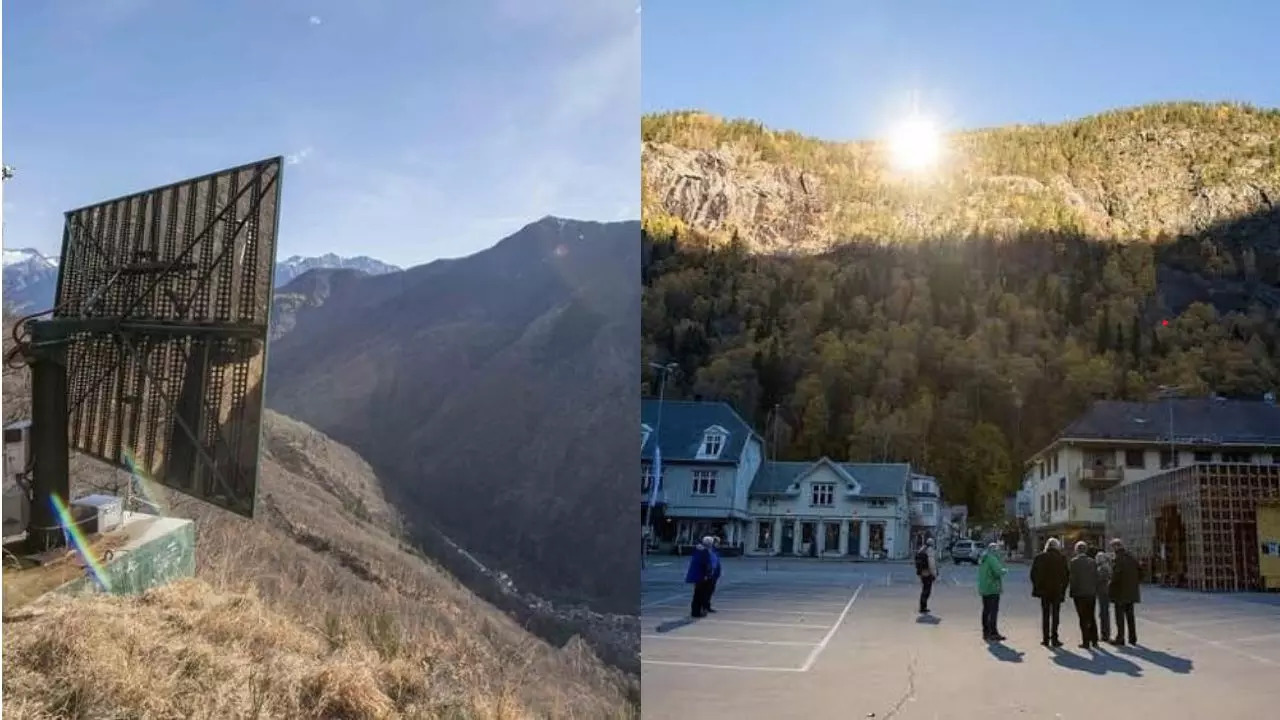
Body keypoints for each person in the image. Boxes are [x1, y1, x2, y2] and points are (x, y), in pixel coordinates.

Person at [1030, 537, 1069, 647]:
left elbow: (1033, 574)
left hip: (1044, 591)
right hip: (1057, 590)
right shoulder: (1061, 558)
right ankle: (1055, 638)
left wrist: (1037, 587)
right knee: (1055, 615)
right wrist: (1063, 589)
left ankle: (1045, 639)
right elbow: (1066, 576)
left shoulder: (1039, 557)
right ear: (1057, 546)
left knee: (1045, 614)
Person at [1108, 538, 1142, 645]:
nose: (1112, 550)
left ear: (1116, 547)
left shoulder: (1118, 558)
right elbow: (1141, 572)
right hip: (1131, 592)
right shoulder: (1131, 557)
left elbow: (1116, 576)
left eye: (1113, 547)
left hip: (1120, 592)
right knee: (1130, 616)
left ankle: (1120, 638)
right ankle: (1133, 638)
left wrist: (1110, 586)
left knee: (1120, 616)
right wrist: (1134, 583)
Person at [1068, 541, 1100, 649]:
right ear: (1085, 550)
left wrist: (1072, 592)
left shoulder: (1074, 562)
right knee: (1091, 616)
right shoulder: (1092, 562)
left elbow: (1072, 579)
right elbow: (1096, 576)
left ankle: (1086, 641)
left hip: (1079, 594)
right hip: (1091, 593)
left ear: (1077, 550)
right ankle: (1094, 640)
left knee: (1082, 618)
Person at [978, 542, 1008, 642]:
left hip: (984, 588)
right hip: (992, 588)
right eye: (997, 549)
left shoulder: (983, 558)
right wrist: (1005, 570)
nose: (998, 551)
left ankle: (985, 632)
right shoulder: (992, 558)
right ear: (994, 550)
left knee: (986, 610)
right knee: (993, 611)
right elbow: (998, 571)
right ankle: (993, 633)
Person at [685, 536, 715, 618]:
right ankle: (697, 612)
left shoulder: (697, 550)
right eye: (711, 543)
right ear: (709, 544)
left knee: (697, 594)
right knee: (701, 594)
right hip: (702, 576)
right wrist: (707, 575)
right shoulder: (705, 552)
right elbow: (707, 564)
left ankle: (695, 611)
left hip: (696, 575)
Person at [915, 537, 938, 614]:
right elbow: (931, 564)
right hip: (928, 573)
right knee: (927, 590)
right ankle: (923, 607)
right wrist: (934, 574)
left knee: (924, 589)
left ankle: (923, 606)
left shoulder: (922, 549)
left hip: (922, 572)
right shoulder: (930, 550)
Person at [1095, 548, 1114, 643]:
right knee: (1103, 613)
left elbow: (1100, 579)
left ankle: (1105, 634)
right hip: (1104, 592)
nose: (1096, 559)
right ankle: (1104, 634)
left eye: (1098, 558)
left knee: (1104, 613)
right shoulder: (1105, 567)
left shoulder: (1103, 568)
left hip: (1104, 592)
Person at [705, 536, 723, 613]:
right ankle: (705, 606)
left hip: (714, 575)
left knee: (710, 591)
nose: (719, 544)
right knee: (707, 591)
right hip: (710, 575)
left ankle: (707, 606)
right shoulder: (710, 551)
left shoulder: (716, 551)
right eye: (717, 542)